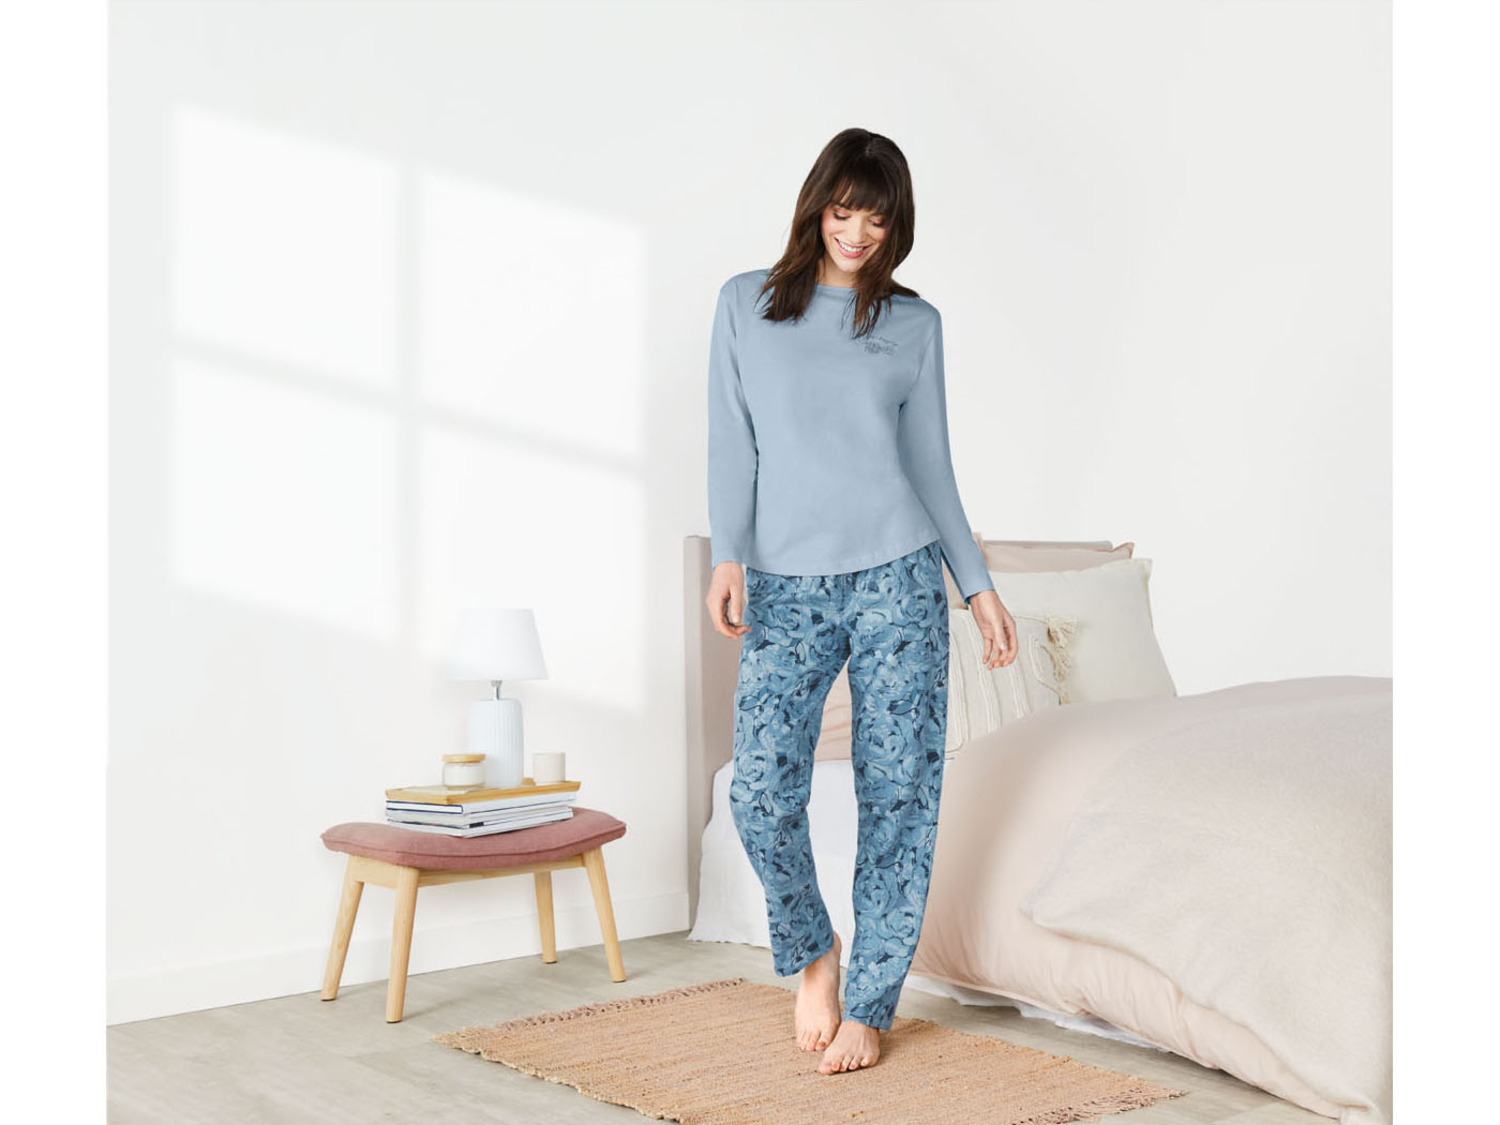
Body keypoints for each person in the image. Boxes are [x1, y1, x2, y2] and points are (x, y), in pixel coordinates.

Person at [703, 127, 1018, 1076]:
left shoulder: (914, 326)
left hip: (899, 579)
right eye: (845, 212)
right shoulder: (746, 305)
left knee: (899, 796)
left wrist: (977, 585)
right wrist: (728, 555)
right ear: (818, 207)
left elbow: (932, 465)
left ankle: (872, 1003)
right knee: (761, 788)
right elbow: (732, 441)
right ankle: (814, 952)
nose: (857, 234)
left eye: (877, 220)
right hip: (786, 584)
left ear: (896, 227)